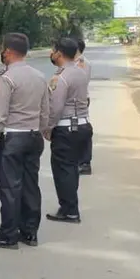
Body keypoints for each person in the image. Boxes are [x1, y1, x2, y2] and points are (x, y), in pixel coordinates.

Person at [0, 32, 49, 249]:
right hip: (33, 137)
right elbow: (45, 111)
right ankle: (30, 233)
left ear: (8, 52)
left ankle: (8, 235)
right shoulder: (40, 76)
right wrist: (44, 131)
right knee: (30, 185)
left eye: (2, 48)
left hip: (12, 138)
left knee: (10, 188)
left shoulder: (6, 78)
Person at [45, 37, 92, 224]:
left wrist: (47, 128)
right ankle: (70, 206)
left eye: (53, 50)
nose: (52, 53)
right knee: (71, 169)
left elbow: (55, 107)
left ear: (59, 53)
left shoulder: (61, 77)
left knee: (63, 170)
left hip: (67, 128)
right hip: (83, 125)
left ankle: (70, 211)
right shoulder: (80, 72)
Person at [75, 38, 94, 175]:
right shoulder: (78, 62)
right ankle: (81, 160)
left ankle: (84, 162)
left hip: (77, 100)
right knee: (77, 129)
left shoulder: (80, 63)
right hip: (79, 99)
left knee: (81, 129)